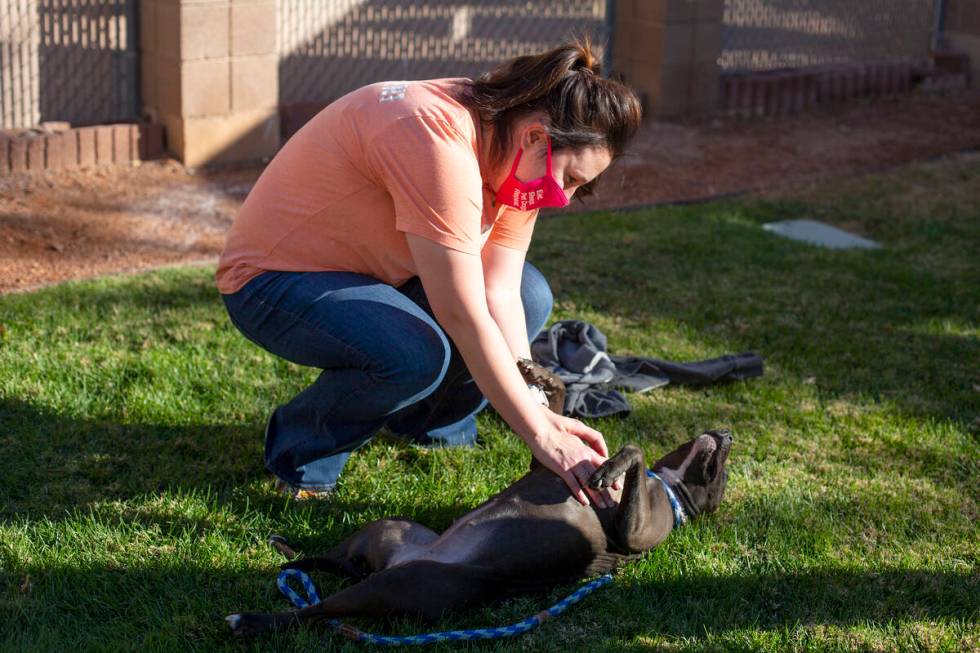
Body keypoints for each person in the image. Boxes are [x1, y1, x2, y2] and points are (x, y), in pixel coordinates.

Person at [216, 38, 642, 504]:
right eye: (571, 178)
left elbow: (499, 289)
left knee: (528, 294)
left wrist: (538, 401)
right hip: (271, 280)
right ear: (537, 137)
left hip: (376, 273)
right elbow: (462, 311)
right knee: (415, 353)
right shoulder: (434, 136)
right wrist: (541, 436)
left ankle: (428, 424)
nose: (562, 195)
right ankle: (301, 454)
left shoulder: (518, 145)